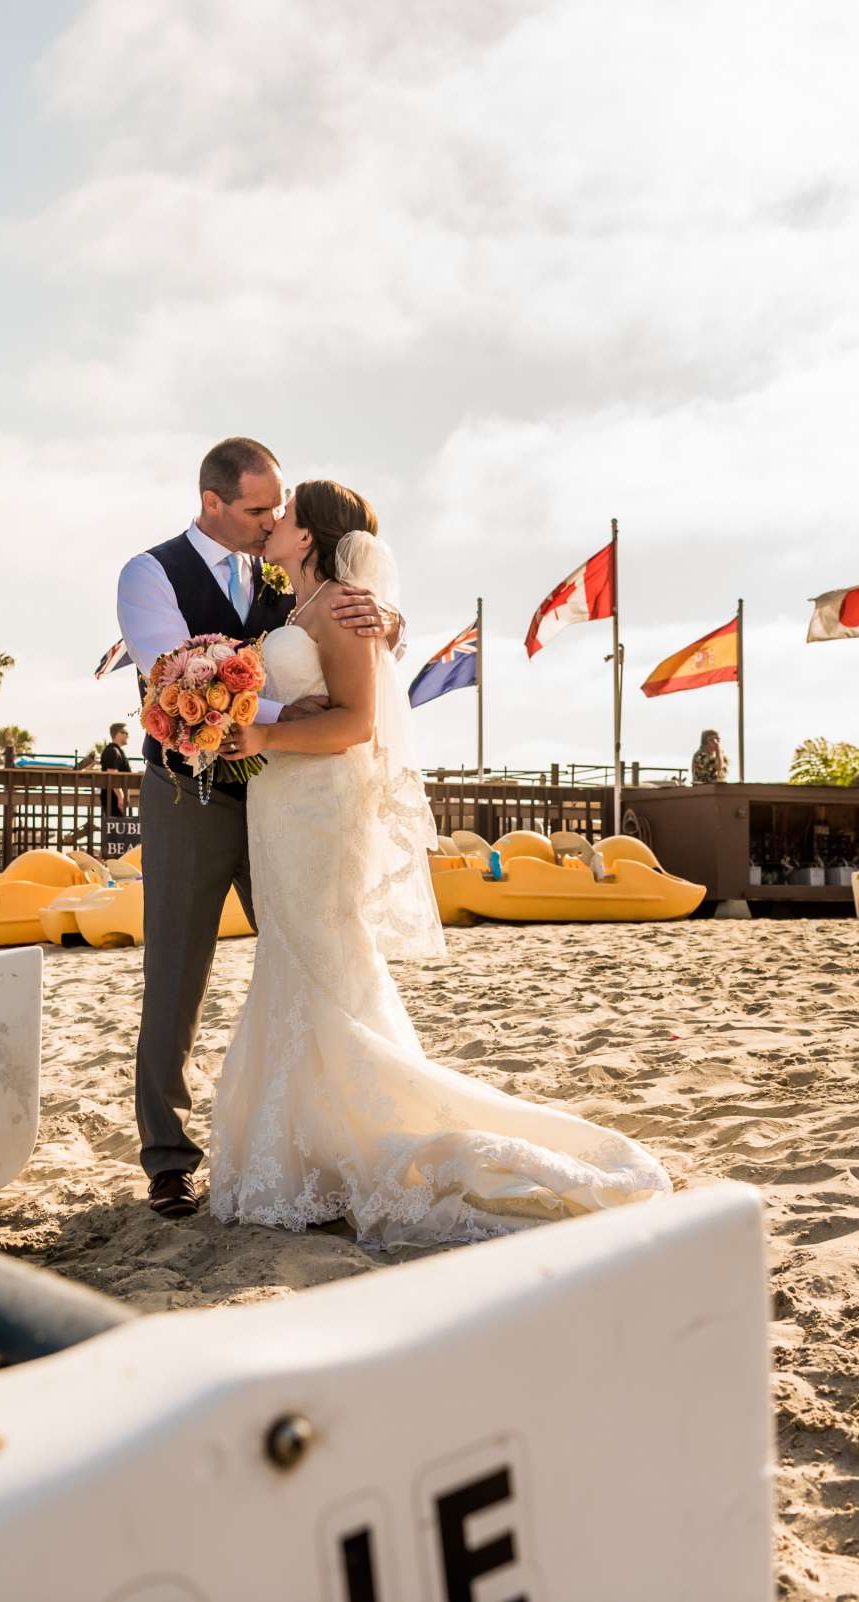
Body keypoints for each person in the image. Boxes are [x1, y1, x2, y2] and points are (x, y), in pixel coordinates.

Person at [213, 480, 669, 1247]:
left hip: (319, 807)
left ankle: (367, 1133)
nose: (275, 521)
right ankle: (307, 1147)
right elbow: (312, 701)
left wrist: (263, 739)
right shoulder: (297, 611)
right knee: (291, 961)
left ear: (313, 534)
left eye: (288, 511)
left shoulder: (343, 608)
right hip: (281, 806)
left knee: (328, 957)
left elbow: (358, 723)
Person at [115, 437, 397, 1218]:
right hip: (190, 797)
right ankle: (168, 1161)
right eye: (255, 508)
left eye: (278, 508)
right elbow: (172, 674)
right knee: (176, 973)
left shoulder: (283, 567)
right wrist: (277, 716)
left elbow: (337, 624)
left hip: (287, 801)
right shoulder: (151, 573)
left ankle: (319, 1139)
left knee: (307, 962)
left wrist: (383, 608)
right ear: (212, 503)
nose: (271, 518)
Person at [99, 722, 132, 816]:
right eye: (125, 733)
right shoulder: (112, 751)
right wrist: (121, 797)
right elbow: (112, 774)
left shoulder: (117, 751)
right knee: (114, 828)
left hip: (116, 800)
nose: (127, 736)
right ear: (117, 734)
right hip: (113, 800)